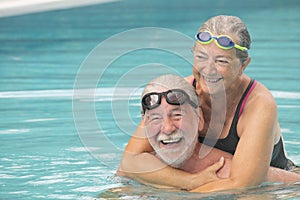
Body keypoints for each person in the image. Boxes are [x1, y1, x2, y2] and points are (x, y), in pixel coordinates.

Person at [118, 15, 299, 192]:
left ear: (243, 66)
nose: (208, 70)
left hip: (275, 187)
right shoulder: (180, 93)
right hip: (208, 181)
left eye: (221, 61)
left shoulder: (258, 104)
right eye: (201, 57)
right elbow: (129, 161)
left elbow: (242, 184)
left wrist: (181, 196)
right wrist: (191, 181)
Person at [118, 74, 300, 191]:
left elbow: (293, 183)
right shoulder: (140, 167)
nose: (167, 128)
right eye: (155, 118)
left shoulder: (222, 169)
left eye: (177, 115)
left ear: (200, 120)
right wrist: (191, 182)